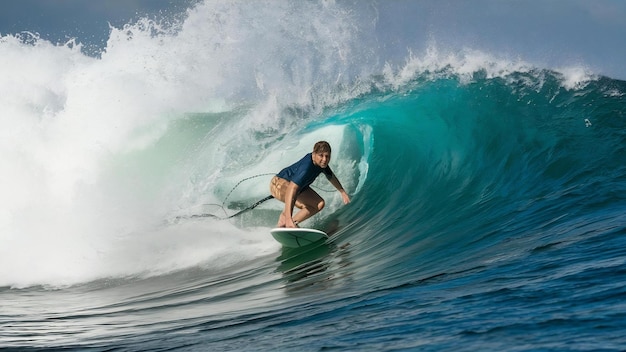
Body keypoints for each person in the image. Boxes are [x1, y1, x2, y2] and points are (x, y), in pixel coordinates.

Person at [270, 141, 350, 228]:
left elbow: (330, 176)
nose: (324, 159)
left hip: (296, 188)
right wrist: (288, 218)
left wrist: (342, 192)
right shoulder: (306, 167)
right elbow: (291, 188)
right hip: (278, 184)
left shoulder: (321, 164)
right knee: (294, 195)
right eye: (321, 155)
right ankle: (287, 221)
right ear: (314, 154)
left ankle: (289, 224)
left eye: (327, 156)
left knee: (319, 204)